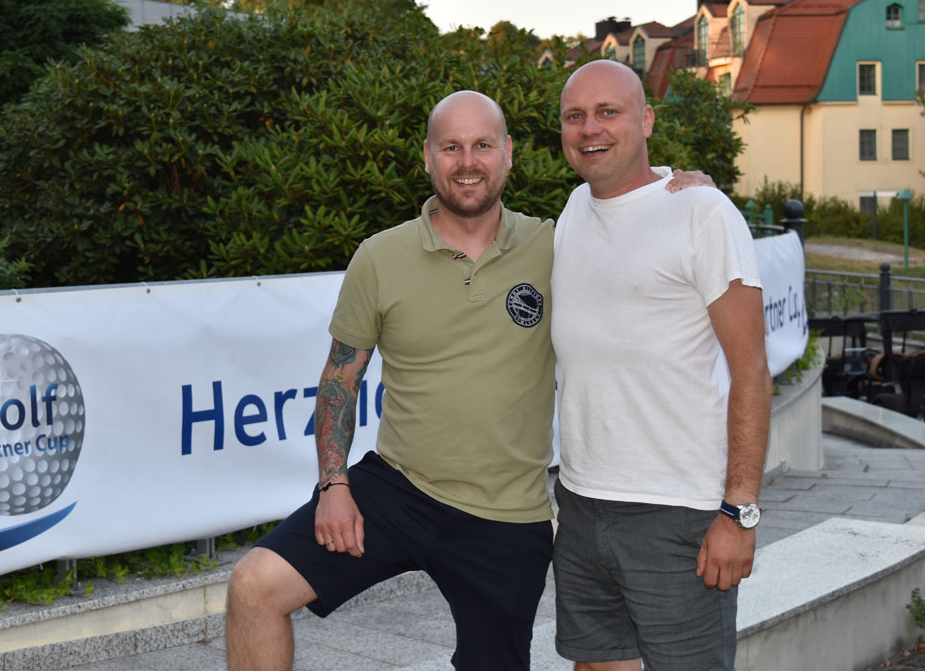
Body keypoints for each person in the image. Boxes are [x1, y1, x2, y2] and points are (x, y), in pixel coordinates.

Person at [225, 89, 706, 671]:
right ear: (428, 157)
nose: (468, 161)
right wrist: (333, 485)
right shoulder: (379, 257)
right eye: (451, 147)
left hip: (509, 515)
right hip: (397, 490)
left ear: (508, 154)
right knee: (254, 586)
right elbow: (339, 382)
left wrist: (682, 191)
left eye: (482, 145)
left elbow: (628, 217)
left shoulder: (557, 245)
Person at [550, 60, 771, 671]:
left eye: (609, 112)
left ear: (646, 120)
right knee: (596, 666)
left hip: (678, 514)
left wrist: (739, 512)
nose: (590, 128)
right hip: (581, 503)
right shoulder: (574, 209)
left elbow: (752, 371)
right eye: (575, 116)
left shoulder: (703, 213)